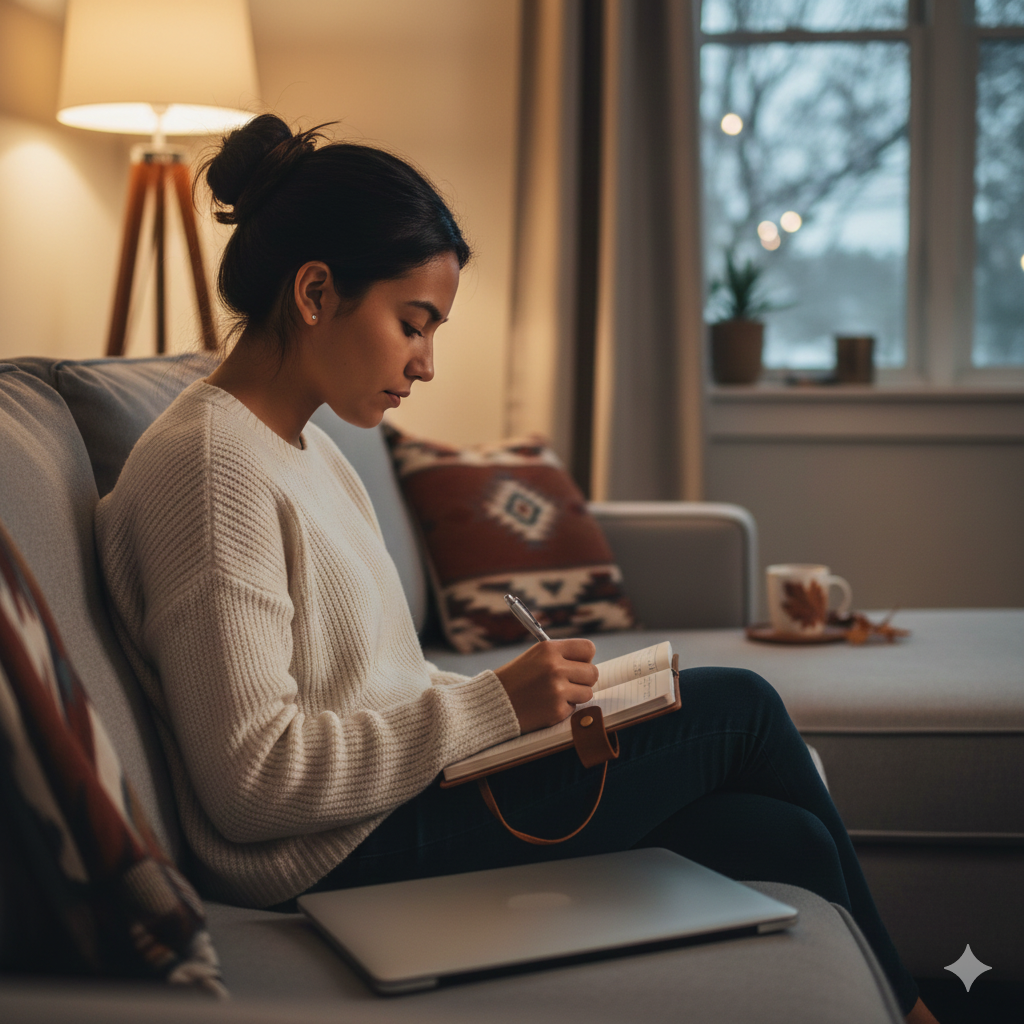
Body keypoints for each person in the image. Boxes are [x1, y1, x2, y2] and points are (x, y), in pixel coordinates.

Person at [95, 115, 937, 1023]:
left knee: (787, 839)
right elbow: (253, 781)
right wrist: (493, 708)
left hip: (401, 799)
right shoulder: (213, 467)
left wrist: (516, 720)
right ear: (313, 292)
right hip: (337, 850)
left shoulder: (301, 447)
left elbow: (374, 682)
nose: (424, 364)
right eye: (413, 324)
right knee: (740, 709)